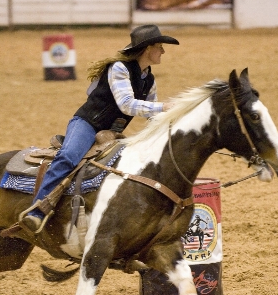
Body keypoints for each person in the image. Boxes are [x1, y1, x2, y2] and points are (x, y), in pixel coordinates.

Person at [20, 24, 179, 234]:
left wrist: (169, 125)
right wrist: (164, 107)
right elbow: (127, 104)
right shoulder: (120, 68)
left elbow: (152, 115)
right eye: (160, 46)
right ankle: (37, 210)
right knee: (69, 156)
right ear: (148, 49)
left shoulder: (149, 79)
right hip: (87, 123)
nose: (163, 51)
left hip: (111, 133)